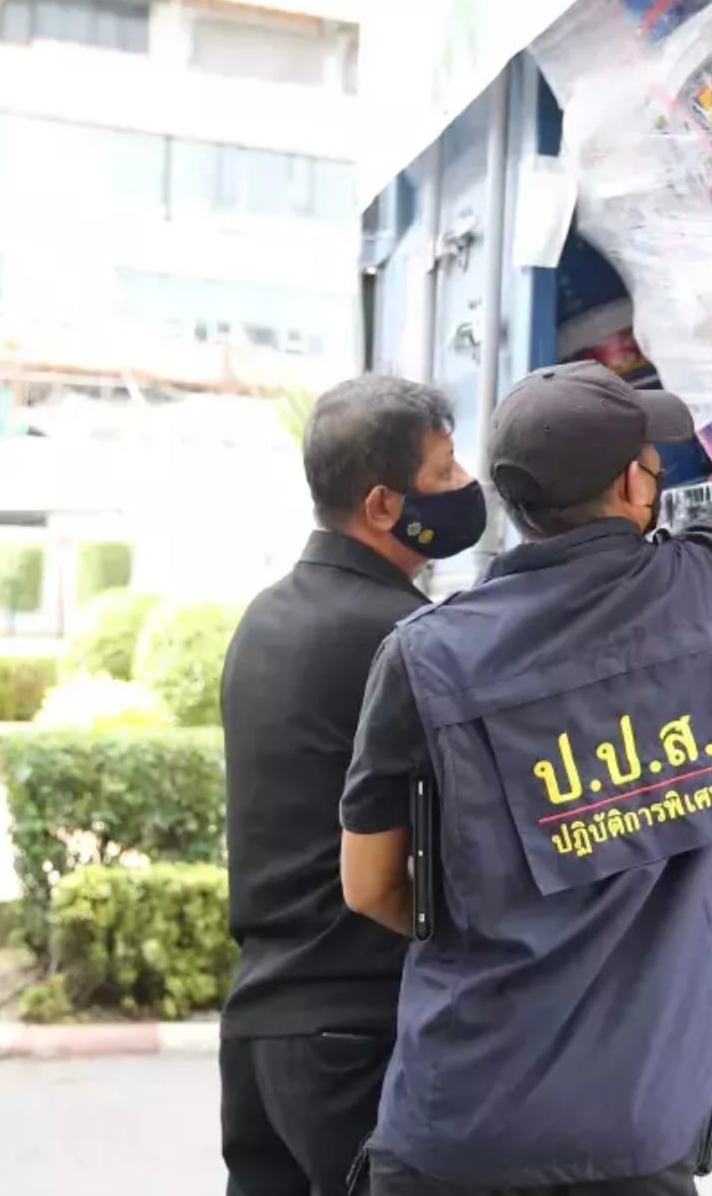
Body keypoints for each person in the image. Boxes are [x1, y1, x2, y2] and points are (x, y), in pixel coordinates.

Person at [341, 361, 712, 1196]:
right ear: (632, 483)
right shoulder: (708, 590)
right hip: (635, 1141)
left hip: (462, 1129)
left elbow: (369, 888)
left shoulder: (422, 654)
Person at [218, 376, 485, 1196]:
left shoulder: (264, 618)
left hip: (262, 1030)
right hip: (354, 1036)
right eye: (443, 471)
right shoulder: (399, 640)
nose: (465, 483)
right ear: (382, 505)